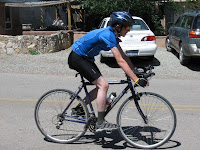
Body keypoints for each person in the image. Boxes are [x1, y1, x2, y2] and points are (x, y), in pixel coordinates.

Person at [68, 11, 148, 132]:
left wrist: (134, 71)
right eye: (127, 27)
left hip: (86, 58)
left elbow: (124, 56)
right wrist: (135, 79)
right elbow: (120, 61)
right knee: (103, 85)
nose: (129, 30)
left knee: (101, 86)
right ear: (118, 26)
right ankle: (100, 122)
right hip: (77, 57)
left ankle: (80, 109)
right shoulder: (108, 35)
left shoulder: (113, 36)